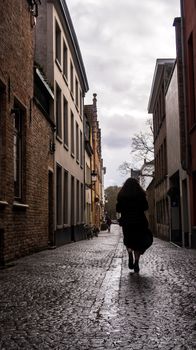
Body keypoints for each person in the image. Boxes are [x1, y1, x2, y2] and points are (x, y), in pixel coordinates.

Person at [116, 178, 153, 273]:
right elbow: (146, 207)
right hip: (139, 222)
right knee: (138, 243)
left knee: (128, 241)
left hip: (127, 223)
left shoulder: (122, 195)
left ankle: (129, 254)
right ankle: (136, 262)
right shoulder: (140, 194)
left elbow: (118, 209)